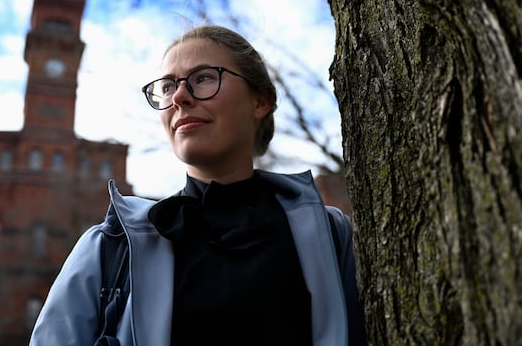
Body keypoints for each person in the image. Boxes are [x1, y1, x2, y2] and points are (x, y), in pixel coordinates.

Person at [30, 25, 366, 345]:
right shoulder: (111, 247)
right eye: (166, 86)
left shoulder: (331, 235)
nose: (178, 97)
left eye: (203, 78)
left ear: (260, 101)